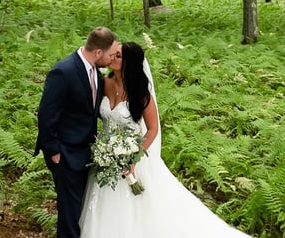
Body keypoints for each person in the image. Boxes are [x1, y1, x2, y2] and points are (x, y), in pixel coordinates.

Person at [79, 41, 251, 238]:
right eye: (113, 54)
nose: (112, 58)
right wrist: (105, 150)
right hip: (105, 157)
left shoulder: (141, 94)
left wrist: (133, 157)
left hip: (132, 157)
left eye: (118, 56)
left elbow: (152, 129)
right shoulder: (103, 84)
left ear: (130, 63)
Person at [35, 27, 119, 238]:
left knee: (79, 207)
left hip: (86, 150)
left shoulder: (95, 73)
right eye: (111, 55)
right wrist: (54, 150)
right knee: (70, 211)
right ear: (98, 52)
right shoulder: (63, 71)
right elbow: (46, 114)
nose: (112, 60)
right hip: (64, 152)